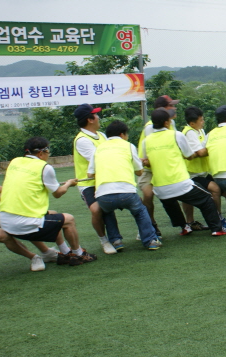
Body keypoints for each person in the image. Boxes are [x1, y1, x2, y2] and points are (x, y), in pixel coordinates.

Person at [0, 137, 97, 267]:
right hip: (23, 225)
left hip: (5, 221)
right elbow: (57, 193)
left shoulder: (14, 162)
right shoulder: (45, 167)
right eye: (48, 152)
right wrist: (68, 183)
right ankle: (78, 254)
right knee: (69, 220)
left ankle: (65, 252)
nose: (48, 155)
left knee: (54, 214)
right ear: (41, 153)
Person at [141, 109, 226, 236]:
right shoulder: (176, 135)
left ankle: (184, 227)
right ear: (166, 123)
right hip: (180, 182)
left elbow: (147, 162)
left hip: (160, 188)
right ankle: (217, 229)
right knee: (207, 199)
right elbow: (189, 155)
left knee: (170, 203)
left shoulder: (146, 141)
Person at [87, 120, 161, 251]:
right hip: (126, 192)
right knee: (140, 211)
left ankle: (116, 241)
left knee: (107, 212)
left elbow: (90, 174)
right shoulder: (128, 146)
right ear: (122, 134)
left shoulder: (98, 148)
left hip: (104, 195)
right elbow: (139, 172)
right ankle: (150, 240)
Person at [72, 103, 120, 254]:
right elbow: (100, 160)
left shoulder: (101, 135)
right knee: (96, 209)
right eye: (96, 114)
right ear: (90, 119)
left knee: (108, 206)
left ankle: (116, 239)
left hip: (103, 179)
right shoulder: (82, 140)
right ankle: (104, 240)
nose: (98, 117)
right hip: (88, 183)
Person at [181, 106, 226, 231]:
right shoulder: (189, 133)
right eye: (201, 120)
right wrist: (216, 147)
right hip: (192, 174)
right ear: (192, 123)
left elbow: (204, 147)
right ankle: (217, 218)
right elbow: (200, 152)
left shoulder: (199, 131)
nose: (203, 122)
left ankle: (191, 222)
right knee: (215, 189)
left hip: (202, 172)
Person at [136, 95, 180, 238]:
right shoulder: (151, 127)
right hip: (148, 168)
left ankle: (185, 223)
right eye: (170, 106)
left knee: (172, 194)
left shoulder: (171, 123)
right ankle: (149, 226)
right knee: (148, 195)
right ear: (161, 109)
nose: (174, 108)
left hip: (161, 166)